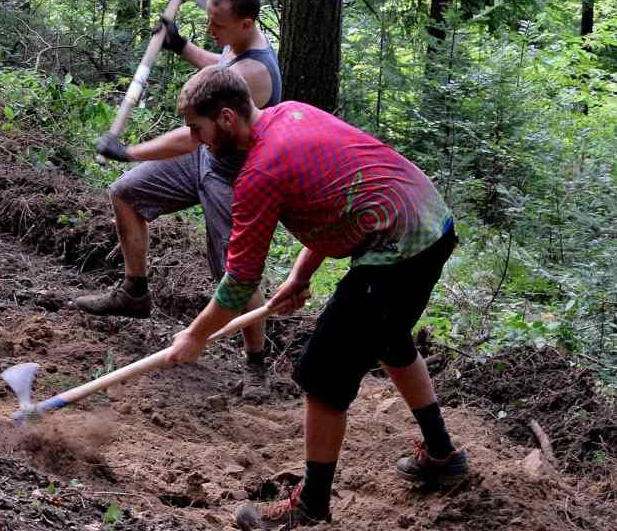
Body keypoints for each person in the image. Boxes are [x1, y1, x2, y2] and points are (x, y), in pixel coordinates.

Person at [163, 65, 469, 529]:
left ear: (225, 118)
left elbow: (240, 280)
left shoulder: (260, 172)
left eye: (197, 129)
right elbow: (337, 198)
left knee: (323, 372)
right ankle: (443, 455)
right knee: (388, 339)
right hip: (430, 224)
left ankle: (311, 507)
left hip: (400, 245)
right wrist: (300, 276)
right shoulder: (291, 114)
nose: (196, 139)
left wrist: (194, 335)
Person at [75, 0, 283, 403]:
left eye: (218, 25)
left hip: (234, 178)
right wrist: (181, 45)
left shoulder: (256, 73)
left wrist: (129, 150)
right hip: (207, 156)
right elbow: (217, 64)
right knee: (126, 193)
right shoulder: (238, 47)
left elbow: (192, 136)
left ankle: (256, 363)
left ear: (246, 24)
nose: (212, 31)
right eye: (208, 21)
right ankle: (135, 292)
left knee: (236, 272)